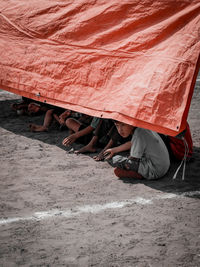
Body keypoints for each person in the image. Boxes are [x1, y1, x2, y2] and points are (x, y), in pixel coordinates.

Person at [104, 121, 170, 180]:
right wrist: (114, 150)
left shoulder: (139, 133)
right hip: (163, 167)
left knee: (116, 160)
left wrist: (126, 162)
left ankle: (139, 174)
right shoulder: (143, 127)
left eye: (123, 125)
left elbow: (132, 160)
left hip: (154, 170)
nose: (120, 130)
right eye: (117, 126)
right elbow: (132, 143)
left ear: (131, 123)